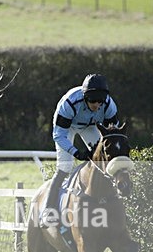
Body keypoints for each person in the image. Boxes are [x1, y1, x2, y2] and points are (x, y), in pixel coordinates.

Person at [41, 73, 119, 226]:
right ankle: (48, 211)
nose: (97, 105)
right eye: (92, 101)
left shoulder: (109, 106)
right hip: (67, 128)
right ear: (84, 97)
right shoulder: (69, 103)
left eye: (100, 101)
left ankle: (110, 204)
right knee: (65, 167)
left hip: (90, 127)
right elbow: (58, 135)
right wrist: (76, 152)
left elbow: (113, 135)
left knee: (105, 162)